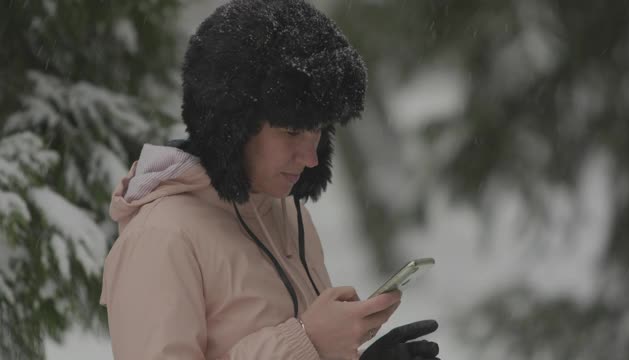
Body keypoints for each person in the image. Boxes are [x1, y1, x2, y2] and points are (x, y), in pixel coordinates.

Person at [99, 0, 440, 359]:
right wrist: (307, 340)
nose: (310, 158)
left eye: (318, 132)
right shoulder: (161, 238)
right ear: (232, 126)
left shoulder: (285, 212)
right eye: (292, 132)